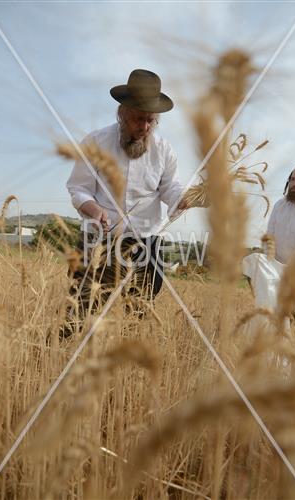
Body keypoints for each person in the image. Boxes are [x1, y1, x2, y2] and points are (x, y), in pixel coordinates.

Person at [63, 69, 187, 333]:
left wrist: (185, 199)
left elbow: (170, 188)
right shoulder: (95, 142)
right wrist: (94, 209)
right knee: (80, 310)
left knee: (138, 314)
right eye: (137, 119)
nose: (143, 128)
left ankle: (121, 367)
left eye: (150, 121)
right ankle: (60, 358)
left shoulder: (164, 150)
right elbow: (78, 188)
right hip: (99, 240)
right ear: (122, 113)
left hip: (146, 240)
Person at [267, 162, 295, 319]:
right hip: (277, 273)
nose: (294, 183)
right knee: (275, 321)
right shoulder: (279, 206)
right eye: (292, 179)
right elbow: (269, 239)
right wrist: (270, 268)